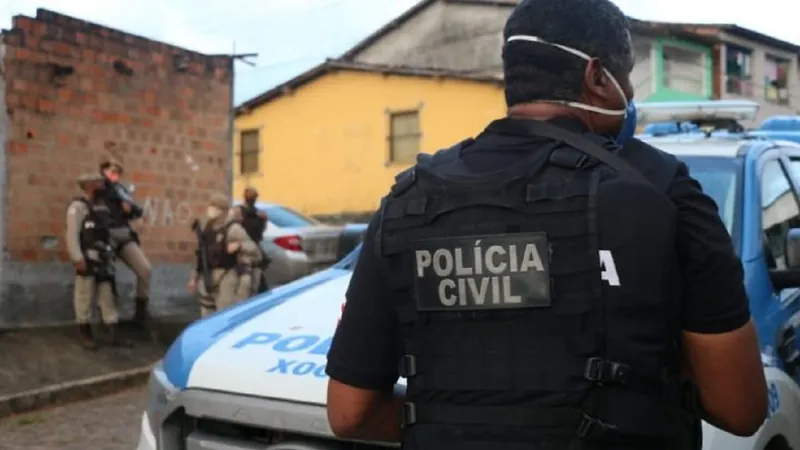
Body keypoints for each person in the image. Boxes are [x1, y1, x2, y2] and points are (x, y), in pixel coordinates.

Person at [324, 1, 767, 449]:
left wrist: (465, 422)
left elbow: (349, 412)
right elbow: (740, 409)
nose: (631, 93)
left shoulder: (408, 199)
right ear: (597, 78)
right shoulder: (663, 190)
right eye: (628, 75)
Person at [66, 173, 131, 349]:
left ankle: (112, 333)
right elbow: (72, 234)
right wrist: (77, 258)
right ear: (89, 186)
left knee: (107, 296)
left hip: (103, 258)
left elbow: (108, 232)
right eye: (98, 183)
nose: (102, 186)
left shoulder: (102, 207)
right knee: (84, 296)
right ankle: (85, 333)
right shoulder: (78, 207)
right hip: (87, 258)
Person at [97, 157, 153, 328]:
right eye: (112, 171)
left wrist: (130, 211)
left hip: (124, 233)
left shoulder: (121, 189)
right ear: (104, 171)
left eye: (118, 172)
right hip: (106, 234)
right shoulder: (99, 188)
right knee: (106, 276)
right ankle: (108, 319)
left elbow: (135, 210)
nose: (115, 175)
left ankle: (140, 314)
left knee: (145, 269)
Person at [187, 193, 261, 317]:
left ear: (222, 210)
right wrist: (194, 278)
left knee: (224, 314)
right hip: (207, 275)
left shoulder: (233, 228)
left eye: (215, 207)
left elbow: (255, 250)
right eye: (210, 206)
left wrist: (239, 245)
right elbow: (202, 255)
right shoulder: (207, 227)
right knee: (206, 315)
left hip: (227, 275)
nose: (211, 209)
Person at [237, 187, 270, 295]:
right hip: (248, 250)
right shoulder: (254, 214)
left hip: (248, 250)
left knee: (253, 282)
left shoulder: (254, 214)